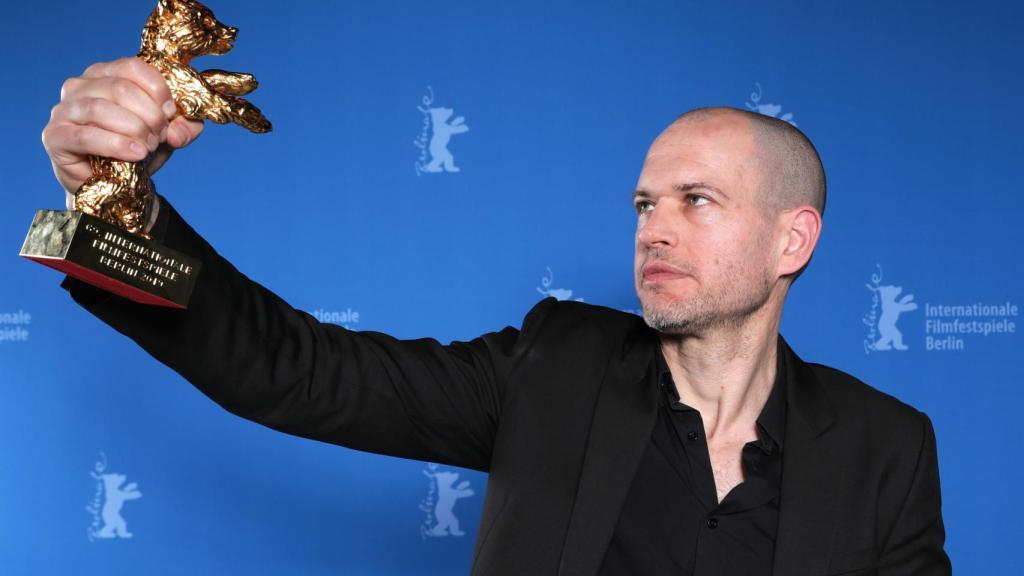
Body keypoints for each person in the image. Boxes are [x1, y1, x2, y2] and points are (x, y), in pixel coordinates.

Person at [43, 57, 952, 575]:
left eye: (696, 200)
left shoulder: (888, 447)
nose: (654, 230)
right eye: (644, 205)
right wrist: (118, 212)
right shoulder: (553, 369)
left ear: (792, 241)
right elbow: (293, 369)